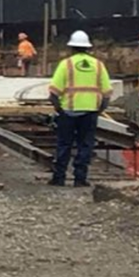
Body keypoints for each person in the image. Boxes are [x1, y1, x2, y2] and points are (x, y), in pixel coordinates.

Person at [47, 31, 112, 187]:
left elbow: (54, 92)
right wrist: (99, 109)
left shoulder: (66, 64)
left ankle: (59, 177)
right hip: (90, 111)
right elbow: (107, 93)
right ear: (88, 48)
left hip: (68, 111)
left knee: (64, 144)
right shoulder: (98, 65)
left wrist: (59, 110)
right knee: (85, 145)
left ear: (72, 48)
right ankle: (80, 179)